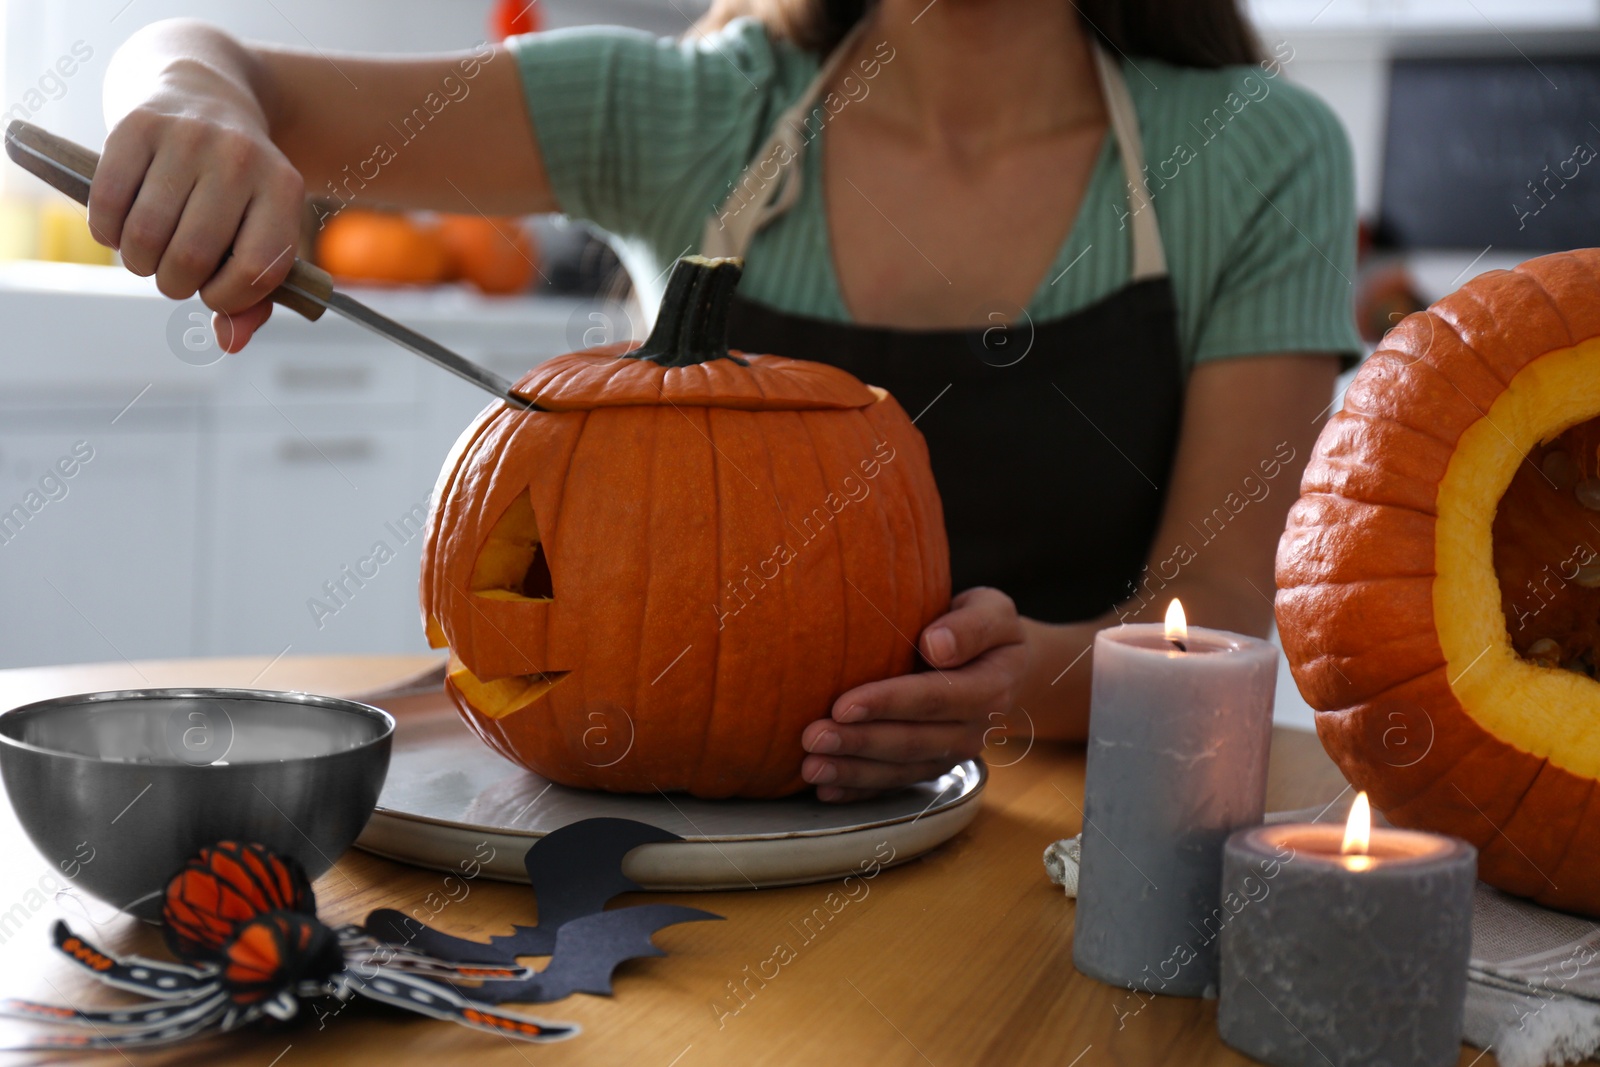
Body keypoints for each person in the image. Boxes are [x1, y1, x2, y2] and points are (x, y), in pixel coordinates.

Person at [94, 0, 1357, 800]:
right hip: (658, 829)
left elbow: (1229, 614)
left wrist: (1030, 684)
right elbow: (208, 58)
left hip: (1056, 847)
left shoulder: (1259, 154)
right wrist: (189, 115)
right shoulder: (692, 111)